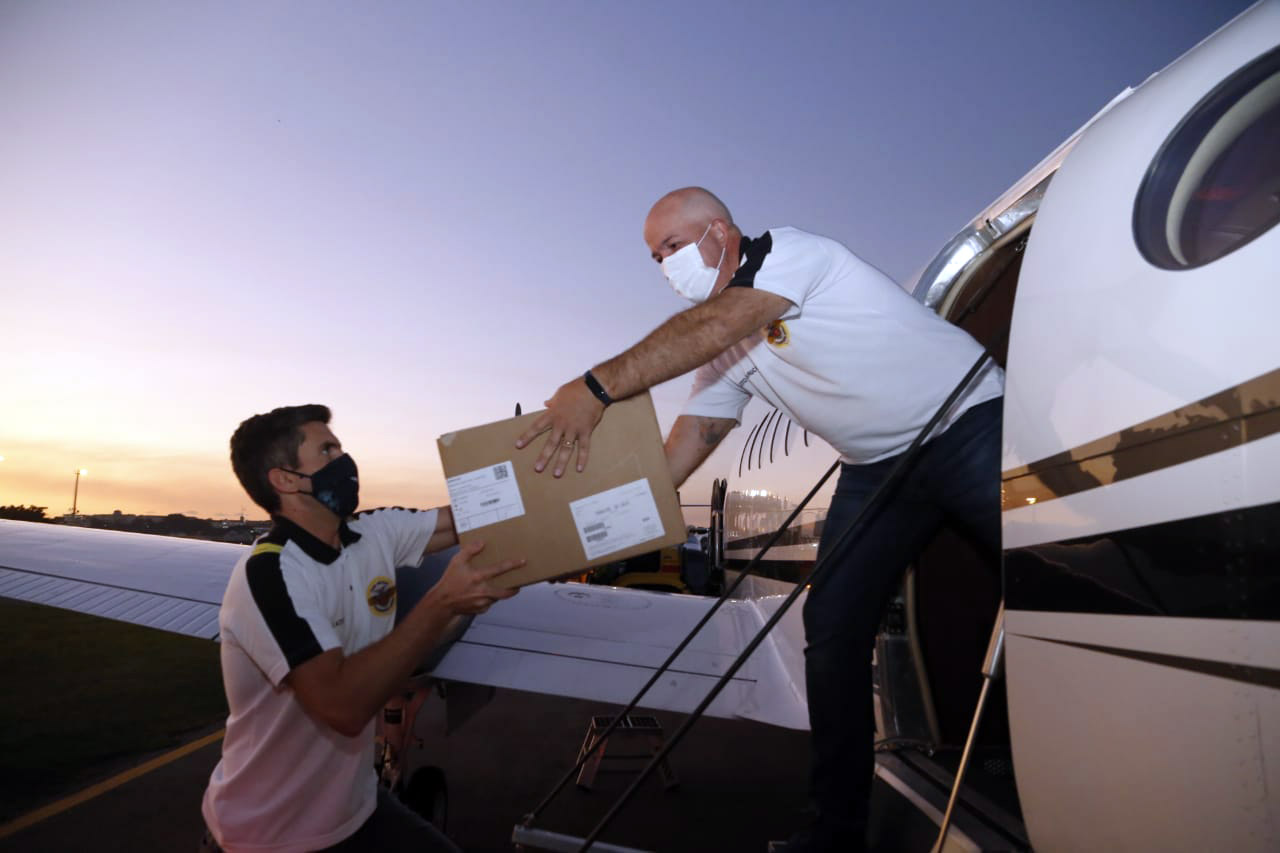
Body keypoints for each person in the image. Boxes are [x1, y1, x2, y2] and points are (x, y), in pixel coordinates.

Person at [515, 187, 1003, 851]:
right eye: (654, 256)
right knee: (831, 637)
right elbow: (682, 451)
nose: (664, 264)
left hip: (969, 422)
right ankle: (834, 834)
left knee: (1055, 580)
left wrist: (595, 387)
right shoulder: (721, 351)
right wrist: (578, 527)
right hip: (878, 468)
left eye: (673, 246)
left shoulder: (790, 255)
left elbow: (719, 324)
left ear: (720, 231)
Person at [200, 404, 522, 853]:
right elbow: (343, 707)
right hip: (269, 834)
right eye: (327, 450)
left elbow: (472, 517)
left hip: (355, 810)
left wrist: (537, 470)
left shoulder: (372, 533)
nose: (345, 460)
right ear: (286, 479)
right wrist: (443, 602)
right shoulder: (272, 575)